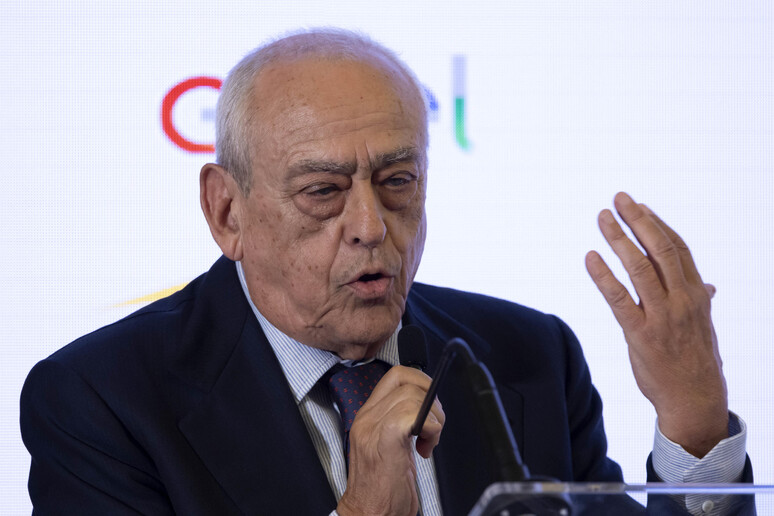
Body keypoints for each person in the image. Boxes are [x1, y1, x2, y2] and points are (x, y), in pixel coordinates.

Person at [20, 29, 751, 515]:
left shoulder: (528, 356)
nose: (371, 226)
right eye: (322, 192)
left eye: (398, 181)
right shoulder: (101, 401)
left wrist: (693, 429)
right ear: (226, 212)